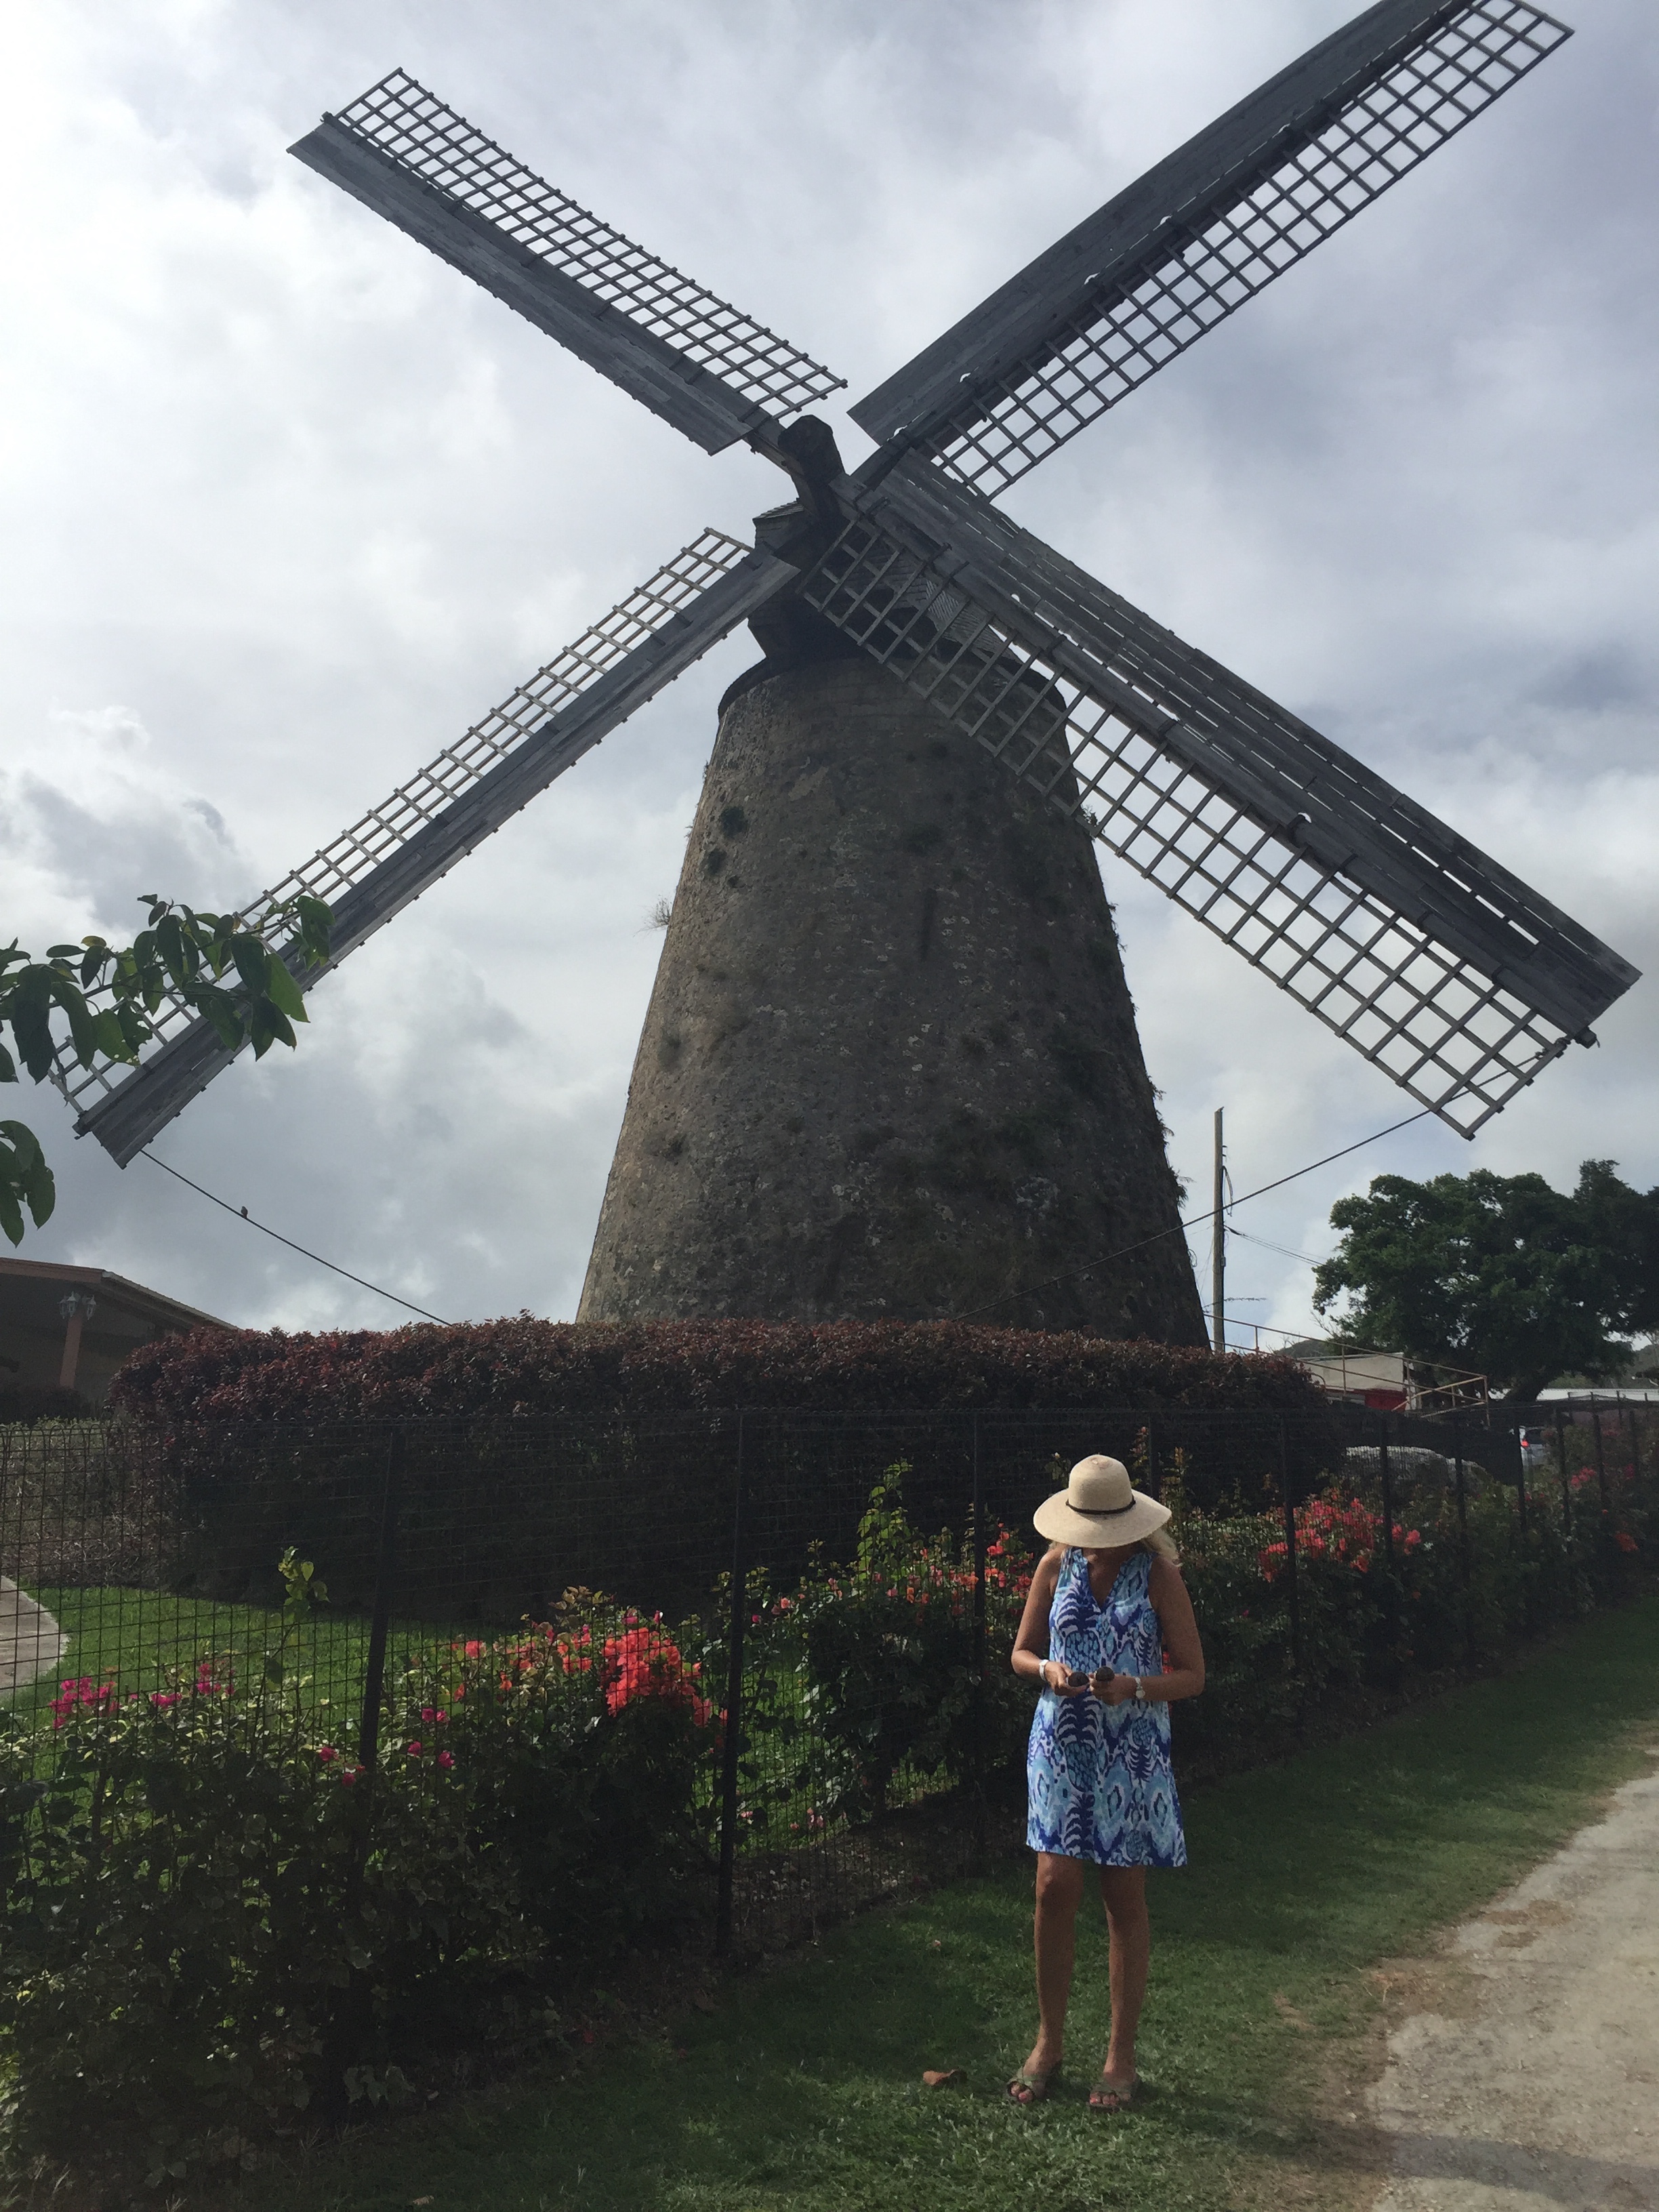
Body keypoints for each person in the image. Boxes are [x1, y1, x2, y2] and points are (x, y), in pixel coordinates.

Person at [1007, 1452, 1205, 2111]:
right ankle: (1049, 2042)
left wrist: (1135, 1687)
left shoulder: (1159, 1575)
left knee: (1123, 1895)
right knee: (1053, 1886)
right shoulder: (1055, 1565)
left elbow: (1194, 1675)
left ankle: (1121, 2056)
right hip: (1060, 1746)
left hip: (1132, 1752)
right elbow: (1020, 1651)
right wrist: (1048, 1671)